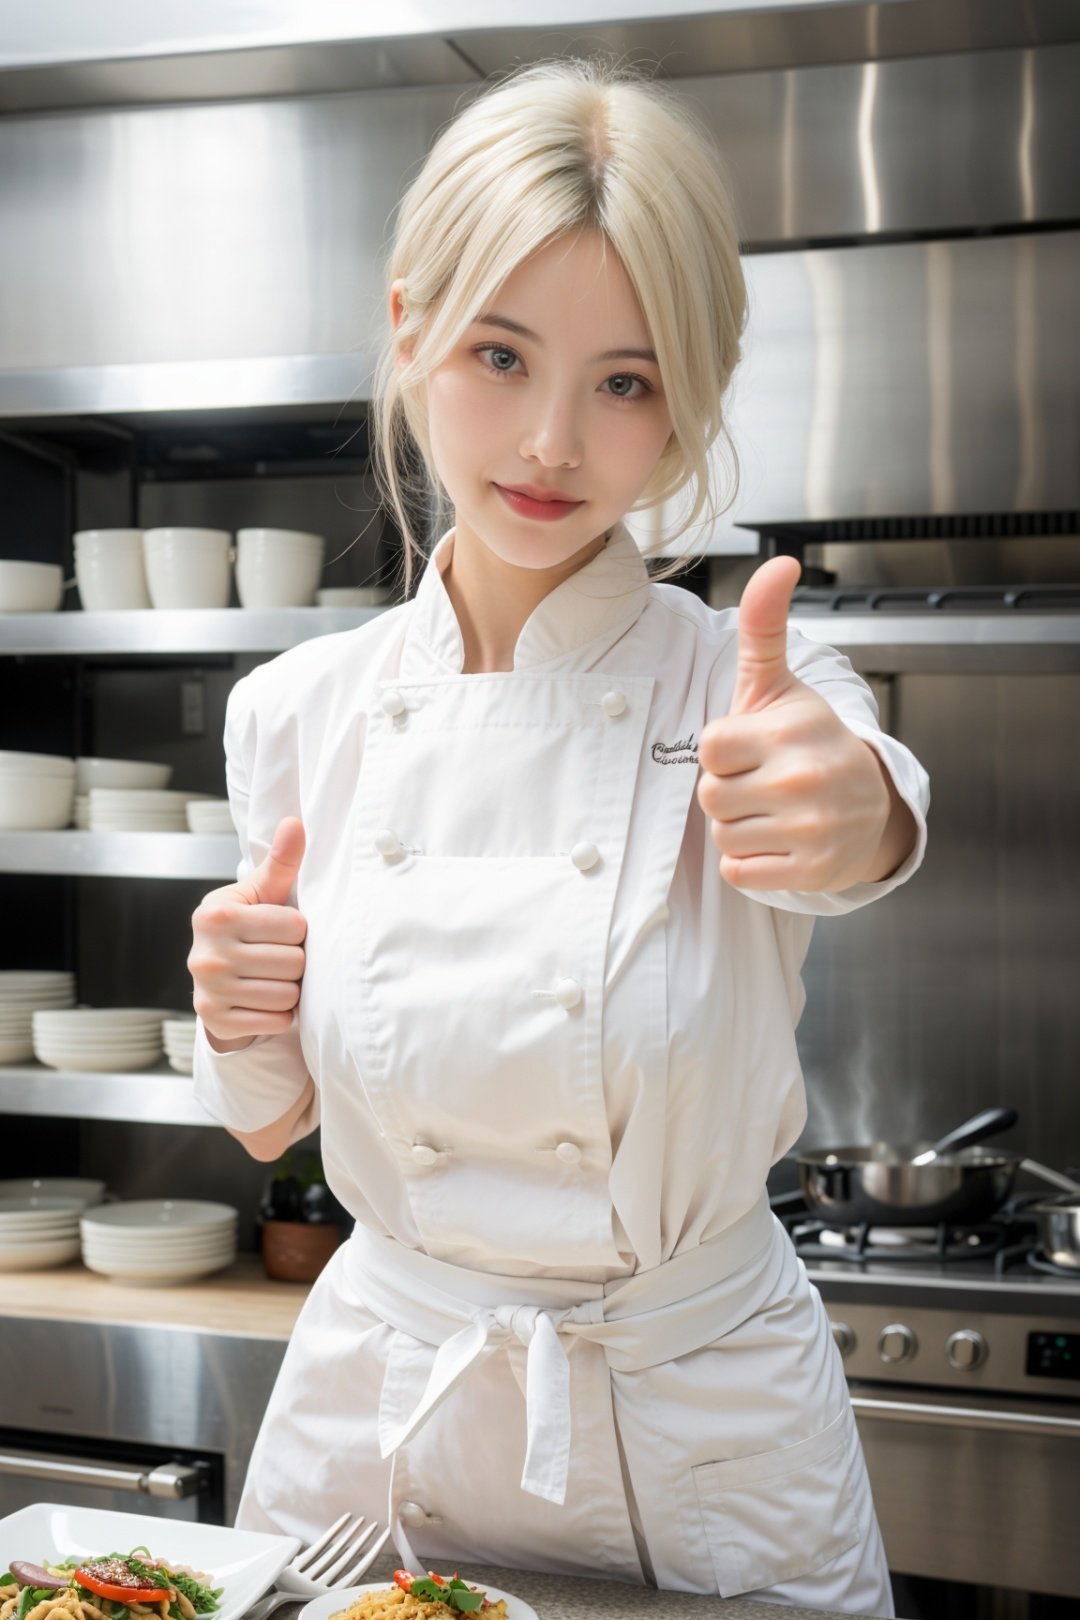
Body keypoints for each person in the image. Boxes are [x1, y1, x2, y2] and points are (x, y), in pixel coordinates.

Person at [188, 56, 929, 1615]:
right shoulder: (296, 712)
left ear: (688, 402)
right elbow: (274, 1126)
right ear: (409, 328)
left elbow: (861, 808)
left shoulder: (748, 682)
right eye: (501, 354)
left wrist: (850, 806)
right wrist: (237, 1017)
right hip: (383, 1425)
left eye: (626, 380)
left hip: (700, 1434)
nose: (550, 441)